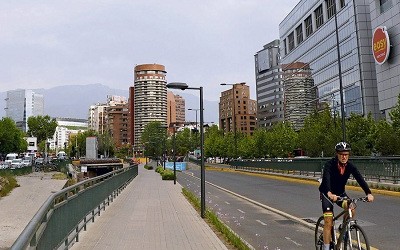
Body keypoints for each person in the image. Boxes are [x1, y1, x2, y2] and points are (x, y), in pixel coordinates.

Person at [318, 142, 374, 250]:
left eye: (346, 154)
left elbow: (359, 178)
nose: (344, 157)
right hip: (327, 194)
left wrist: (368, 193)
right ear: (337, 154)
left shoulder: (350, 166)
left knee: (351, 208)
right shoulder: (330, 164)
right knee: (328, 221)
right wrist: (329, 193)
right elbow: (327, 179)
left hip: (340, 194)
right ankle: (326, 247)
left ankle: (343, 229)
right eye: (341, 154)